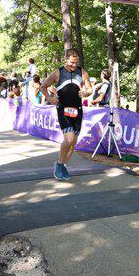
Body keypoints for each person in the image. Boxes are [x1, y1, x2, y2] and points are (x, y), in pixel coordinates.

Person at [41, 49, 92, 180]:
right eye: (71, 62)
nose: (74, 65)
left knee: (73, 142)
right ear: (66, 60)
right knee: (68, 139)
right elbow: (43, 86)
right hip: (63, 109)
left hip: (77, 110)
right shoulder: (58, 73)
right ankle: (59, 164)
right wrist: (49, 98)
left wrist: (86, 93)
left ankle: (63, 166)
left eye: (76, 62)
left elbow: (90, 89)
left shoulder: (82, 72)